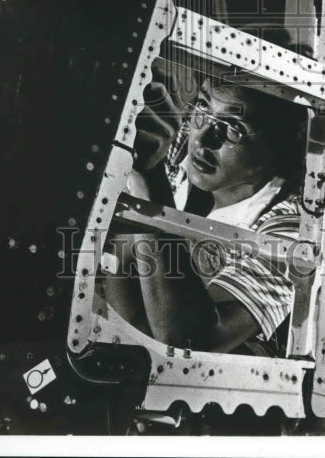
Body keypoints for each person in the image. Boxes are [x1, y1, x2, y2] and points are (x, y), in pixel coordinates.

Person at [102, 74, 308, 354]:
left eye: (232, 127)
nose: (202, 139)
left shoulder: (290, 232)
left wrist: (150, 177)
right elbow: (117, 262)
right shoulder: (178, 148)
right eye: (203, 106)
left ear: (278, 149)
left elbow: (186, 339)